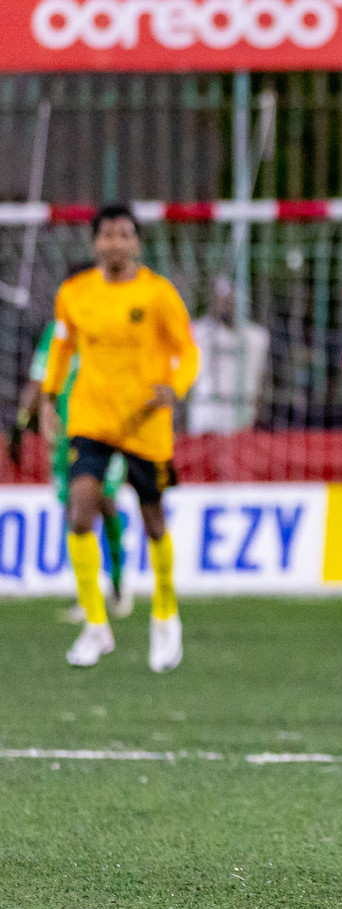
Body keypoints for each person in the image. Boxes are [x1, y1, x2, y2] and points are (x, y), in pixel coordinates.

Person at [43, 205, 198, 671]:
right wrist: (50, 396)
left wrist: (178, 386)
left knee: (153, 522)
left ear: (136, 243)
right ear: (95, 244)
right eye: (107, 235)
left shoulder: (157, 294)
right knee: (79, 512)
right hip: (91, 420)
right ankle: (95, 625)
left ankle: (165, 613)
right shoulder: (75, 293)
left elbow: (187, 348)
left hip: (145, 422)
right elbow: (61, 344)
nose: (115, 243)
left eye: (124, 235)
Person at [15, 287, 134, 622]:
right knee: (74, 510)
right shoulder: (55, 333)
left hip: (103, 432)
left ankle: (118, 582)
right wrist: (25, 420)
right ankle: (88, 595)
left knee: (104, 502)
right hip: (65, 435)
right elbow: (39, 380)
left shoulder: (109, 329)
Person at [187, 276, 270, 435]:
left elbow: (263, 379)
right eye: (220, 299)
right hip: (205, 417)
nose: (224, 304)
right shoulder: (195, 332)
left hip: (241, 418)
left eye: (229, 299)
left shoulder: (257, 337)